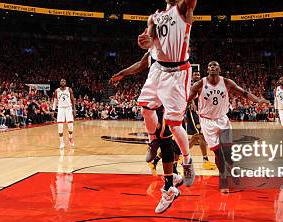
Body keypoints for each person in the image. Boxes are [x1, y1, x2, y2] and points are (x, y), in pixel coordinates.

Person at [137, 0, 211, 187]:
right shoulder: (155, 16)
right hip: (158, 68)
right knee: (144, 107)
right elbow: (150, 38)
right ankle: (153, 140)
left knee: (175, 123)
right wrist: (145, 41)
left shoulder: (184, 11)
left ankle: (188, 160)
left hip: (178, 71)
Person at [110, 53, 184, 213]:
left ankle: (170, 188)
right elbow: (141, 63)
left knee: (165, 139)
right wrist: (122, 73)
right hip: (155, 99)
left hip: (169, 97)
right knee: (158, 131)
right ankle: (173, 175)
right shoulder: (154, 51)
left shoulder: (175, 50)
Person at [187, 61, 266, 192]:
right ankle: (223, 179)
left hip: (222, 119)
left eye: (215, 65)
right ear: (207, 69)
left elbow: (244, 93)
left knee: (228, 153)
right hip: (207, 122)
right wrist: (186, 105)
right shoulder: (199, 84)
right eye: (210, 66)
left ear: (219, 69)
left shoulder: (227, 82)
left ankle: (232, 169)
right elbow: (187, 99)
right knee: (219, 154)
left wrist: (257, 100)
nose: (213, 67)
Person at [186, 70, 216, 170]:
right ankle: (205, 160)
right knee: (201, 135)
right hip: (193, 112)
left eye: (198, 74)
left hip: (201, 112)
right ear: (192, 76)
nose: (197, 76)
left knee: (195, 137)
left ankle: (182, 155)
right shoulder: (190, 85)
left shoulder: (203, 85)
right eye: (195, 74)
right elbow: (187, 97)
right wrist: (191, 102)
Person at [53, 79, 76, 149]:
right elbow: (55, 100)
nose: (62, 82)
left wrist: (74, 109)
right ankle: (61, 142)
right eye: (61, 81)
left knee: (70, 126)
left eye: (64, 81)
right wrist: (54, 109)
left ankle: (70, 138)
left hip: (68, 108)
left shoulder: (69, 89)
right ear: (60, 83)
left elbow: (72, 99)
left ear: (65, 83)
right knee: (60, 126)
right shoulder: (57, 90)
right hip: (60, 108)